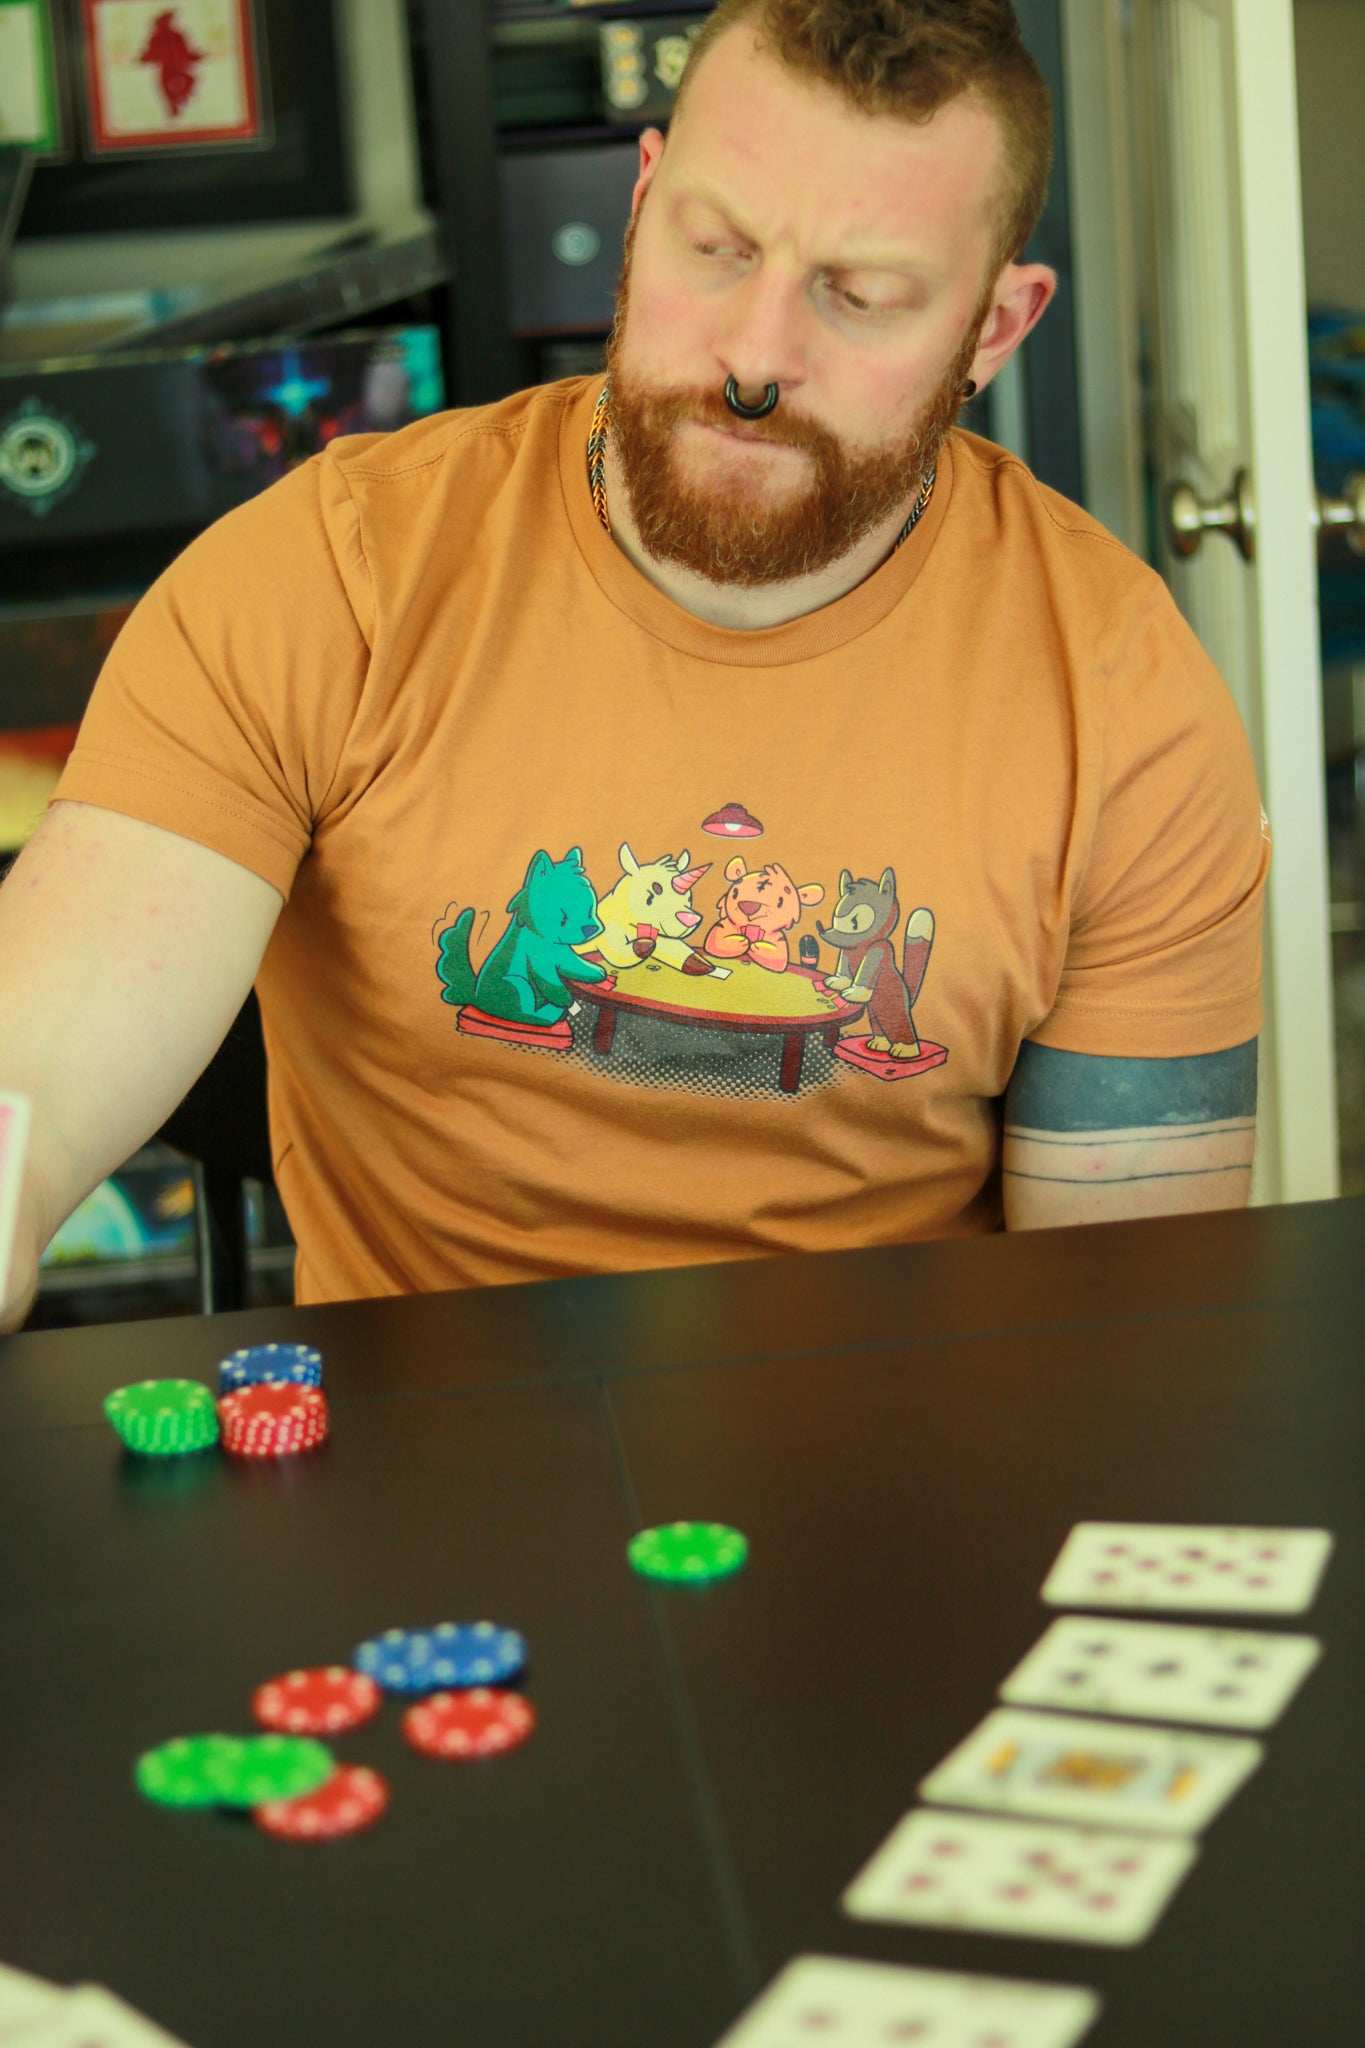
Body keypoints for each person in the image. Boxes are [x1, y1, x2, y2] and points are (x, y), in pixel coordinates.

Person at [0, 0, 1266, 1333]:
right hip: (421, 1468)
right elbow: (38, 1063)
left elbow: (1128, 1326)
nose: (755, 356)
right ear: (642, 197)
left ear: (994, 330)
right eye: (713, 247)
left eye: (862, 295)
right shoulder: (331, 576)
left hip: (904, 1461)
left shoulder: (1119, 698)